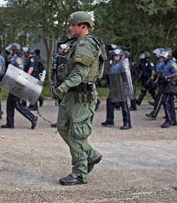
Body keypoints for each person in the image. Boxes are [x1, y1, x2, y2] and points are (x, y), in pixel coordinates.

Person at [53, 11, 104, 186]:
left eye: (72, 25)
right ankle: (91, 155)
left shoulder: (86, 45)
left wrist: (63, 86)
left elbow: (80, 72)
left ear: (83, 26)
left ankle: (80, 173)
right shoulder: (77, 43)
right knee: (62, 127)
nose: (70, 28)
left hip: (82, 95)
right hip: (71, 95)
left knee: (77, 135)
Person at [0, 43, 38, 129]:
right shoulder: (14, 59)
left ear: (14, 51)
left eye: (11, 50)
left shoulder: (18, 60)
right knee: (9, 104)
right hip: (13, 84)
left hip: (17, 85)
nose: (9, 51)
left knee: (17, 104)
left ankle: (33, 118)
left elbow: (20, 73)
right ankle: (10, 123)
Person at [101, 49, 132, 130]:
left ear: (120, 56)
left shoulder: (122, 64)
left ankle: (127, 123)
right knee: (109, 102)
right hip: (114, 87)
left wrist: (125, 87)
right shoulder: (113, 64)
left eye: (117, 55)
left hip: (121, 86)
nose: (115, 57)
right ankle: (110, 120)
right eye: (114, 55)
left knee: (124, 105)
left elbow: (125, 77)